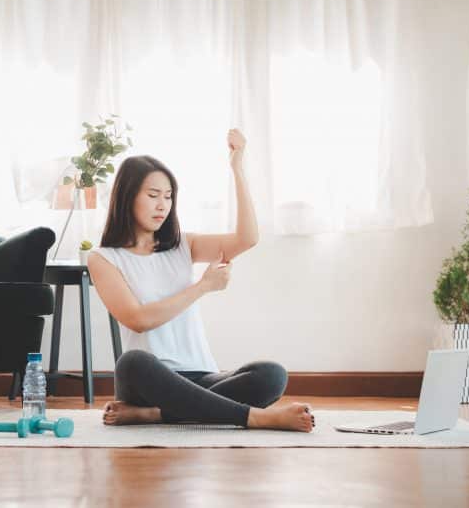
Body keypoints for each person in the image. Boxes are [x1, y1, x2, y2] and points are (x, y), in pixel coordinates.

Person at [87, 129, 315, 432]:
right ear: (127, 197)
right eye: (153, 196)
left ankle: (157, 415)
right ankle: (255, 418)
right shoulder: (104, 258)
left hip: (202, 376)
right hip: (149, 380)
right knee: (132, 362)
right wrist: (203, 287)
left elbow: (248, 238)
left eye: (168, 197)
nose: (162, 205)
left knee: (272, 374)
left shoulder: (183, 244)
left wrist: (237, 168)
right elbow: (138, 319)